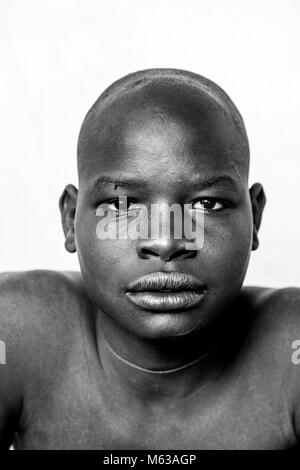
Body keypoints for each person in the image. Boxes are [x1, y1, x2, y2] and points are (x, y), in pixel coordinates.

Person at [0, 68, 299, 450]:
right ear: (70, 220)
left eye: (206, 204)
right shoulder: (16, 333)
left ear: (254, 218)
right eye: (122, 205)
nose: (166, 241)